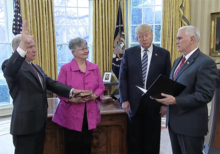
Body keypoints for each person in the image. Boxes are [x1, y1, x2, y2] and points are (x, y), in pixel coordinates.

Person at [1, 21, 82, 154]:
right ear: (18, 49)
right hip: (25, 126)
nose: (34, 49)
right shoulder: (9, 65)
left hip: (39, 123)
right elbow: (10, 70)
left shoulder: (35, 67)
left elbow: (51, 83)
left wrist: (71, 91)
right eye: (30, 47)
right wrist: (23, 44)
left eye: (34, 46)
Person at [155, 25, 218, 154]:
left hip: (191, 126)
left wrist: (176, 101)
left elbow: (205, 95)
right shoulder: (178, 61)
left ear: (192, 39)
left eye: (179, 38)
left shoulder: (205, 62)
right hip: (174, 123)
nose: (176, 41)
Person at [119, 24, 171, 154]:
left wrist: (165, 103)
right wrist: (124, 100)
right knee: (134, 139)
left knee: (152, 139)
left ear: (152, 35)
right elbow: (123, 78)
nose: (144, 38)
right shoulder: (129, 53)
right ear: (136, 38)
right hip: (133, 103)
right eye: (140, 36)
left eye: (147, 35)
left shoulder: (164, 54)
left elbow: (166, 81)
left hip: (154, 103)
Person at [52, 37, 105, 154]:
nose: (86, 51)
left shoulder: (94, 67)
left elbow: (101, 86)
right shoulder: (65, 68)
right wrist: (72, 100)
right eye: (82, 49)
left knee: (86, 144)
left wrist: (94, 96)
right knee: (72, 146)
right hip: (71, 114)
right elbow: (58, 90)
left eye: (86, 48)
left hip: (90, 112)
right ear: (73, 52)